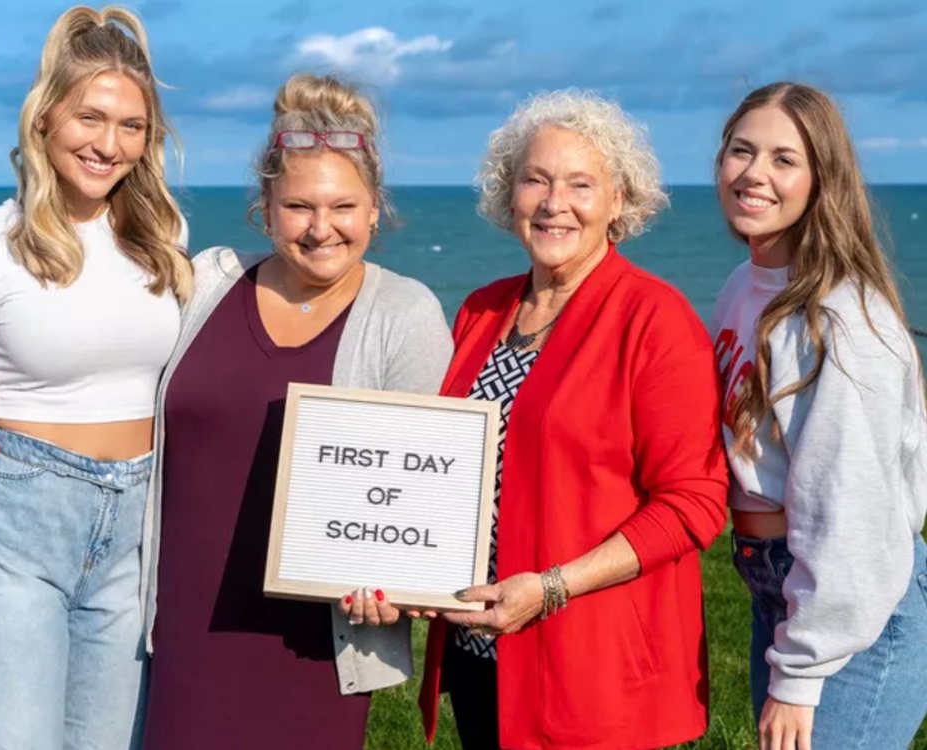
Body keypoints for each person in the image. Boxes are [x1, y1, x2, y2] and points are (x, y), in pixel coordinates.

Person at [133, 74, 452, 748]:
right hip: (178, 631)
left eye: (343, 206)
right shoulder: (207, 280)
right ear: (266, 207)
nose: (321, 228)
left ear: (374, 210)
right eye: (299, 205)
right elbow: (113, 381)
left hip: (315, 648)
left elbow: (420, 494)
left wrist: (400, 580)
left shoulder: (405, 315)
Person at [417, 90, 729, 749]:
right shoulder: (481, 310)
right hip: (485, 653)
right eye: (536, 179)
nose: (555, 203)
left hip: (593, 665)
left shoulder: (655, 320)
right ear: (510, 195)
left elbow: (693, 504)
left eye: (581, 184)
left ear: (620, 201)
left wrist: (554, 587)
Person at [0, 6, 191, 750]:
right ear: (45, 118)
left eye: (132, 126)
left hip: (137, 535)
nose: (109, 144)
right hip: (16, 532)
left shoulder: (163, 244)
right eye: (90, 117)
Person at [711, 81, 927, 750]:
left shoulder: (838, 319)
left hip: (849, 611)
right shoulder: (741, 287)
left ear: (821, 180)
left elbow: (854, 512)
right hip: (778, 587)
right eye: (741, 150)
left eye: (783, 159)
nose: (754, 173)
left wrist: (801, 674)